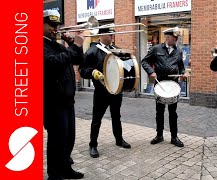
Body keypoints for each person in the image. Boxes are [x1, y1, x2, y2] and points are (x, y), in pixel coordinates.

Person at [79, 24, 131, 159]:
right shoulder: (92, 51)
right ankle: (93, 145)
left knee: (116, 116)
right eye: (109, 34)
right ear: (101, 35)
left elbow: (126, 66)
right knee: (97, 119)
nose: (112, 37)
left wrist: (129, 57)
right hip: (101, 92)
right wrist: (93, 73)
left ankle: (119, 139)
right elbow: (82, 70)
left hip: (116, 90)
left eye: (113, 34)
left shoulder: (116, 49)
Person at [43, 10, 84, 179]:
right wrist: (74, 46)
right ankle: (54, 174)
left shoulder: (58, 44)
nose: (55, 29)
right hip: (53, 102)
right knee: (57, 141)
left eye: (57, 25)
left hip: (67, 100)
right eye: (51, 25)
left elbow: (77, 60)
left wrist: (73, 44)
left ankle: (65, 168)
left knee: (69, 138)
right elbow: (53, 63)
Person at [141, 27, 187, 147]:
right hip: (160, 83)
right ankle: (159, 135)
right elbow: (144, 61)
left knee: (173, 112)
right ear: (167, 37)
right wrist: (151, 71)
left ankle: (174, 137)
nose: (176, 39)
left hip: (173, 84)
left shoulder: (179, 51)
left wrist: (183, 73)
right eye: (174, 37)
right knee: (159, 111)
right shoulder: (156, 49)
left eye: (177, 38)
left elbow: (181, 66)